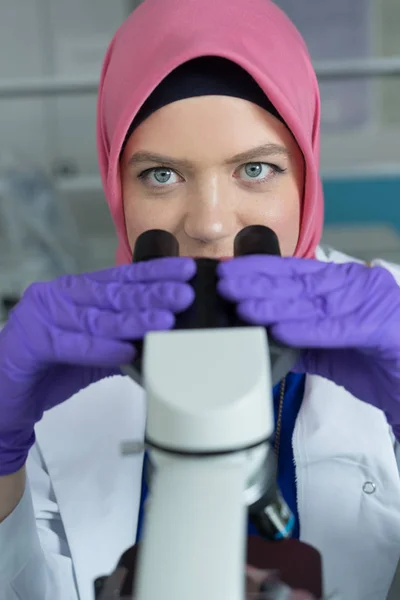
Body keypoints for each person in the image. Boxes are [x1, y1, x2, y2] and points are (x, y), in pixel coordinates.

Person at [1, 0, 400, 598]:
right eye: (162, 174)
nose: (210, 224)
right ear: (117, 183)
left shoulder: (387, 320)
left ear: (306, 176)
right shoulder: (48, 357)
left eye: (256, 169)